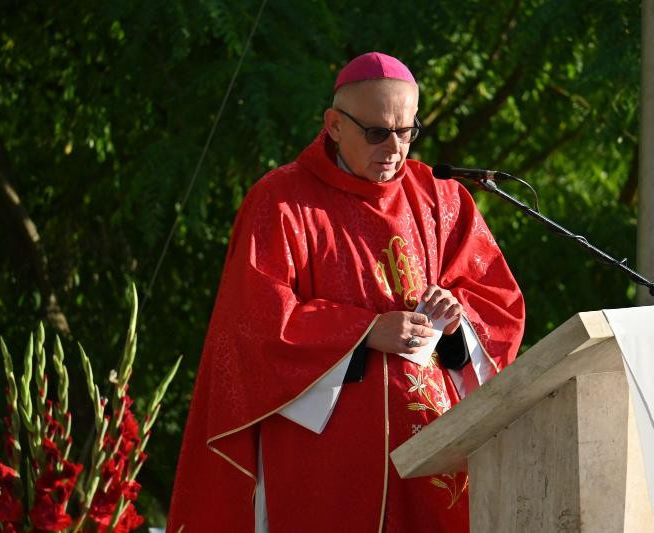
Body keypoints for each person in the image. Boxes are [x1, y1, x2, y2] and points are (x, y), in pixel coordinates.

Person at [167, 52, 525, 532]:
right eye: (377, 132)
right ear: (334, 125)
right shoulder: (282, 201)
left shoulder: (442, 198)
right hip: (331, 458)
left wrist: (457, 320)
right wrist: (365, 332)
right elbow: (254, 323)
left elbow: (497, 301)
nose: (394, 148)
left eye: (407, 132)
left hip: (435, 448)